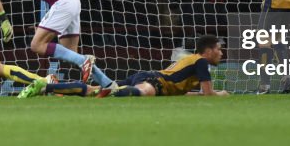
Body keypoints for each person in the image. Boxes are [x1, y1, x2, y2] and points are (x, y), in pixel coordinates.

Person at [22, 35, 228, 98]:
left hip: (149, 76)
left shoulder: (191, 60)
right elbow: (208, 94)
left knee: (94, 91)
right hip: (153, 82)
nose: (221, 53)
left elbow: (186, 93)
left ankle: (48, 86)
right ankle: (111, 90)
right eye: (218, 49)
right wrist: (222, 93)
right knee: (137, 93)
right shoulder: (201, 62)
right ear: (207, 51)